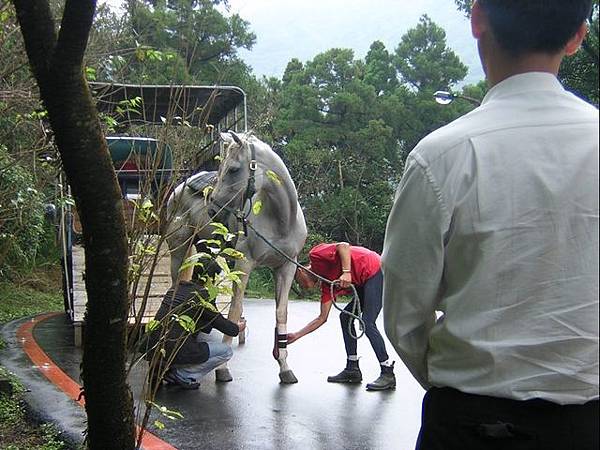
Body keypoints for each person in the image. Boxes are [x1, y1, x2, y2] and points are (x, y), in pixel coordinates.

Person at [382, 1, 598, 449]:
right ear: (578, 36)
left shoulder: (440, 156)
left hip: (470, 424)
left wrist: (455, 385)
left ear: (477, 18)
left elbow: (404, 316)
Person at [289, 242, 396, 391]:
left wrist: (346, 272)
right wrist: (297, 335)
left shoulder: (315, 255)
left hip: (375, 270)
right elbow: (322, 317)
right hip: (362, 281)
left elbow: (343, 246)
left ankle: (387, 372)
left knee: (368, 322)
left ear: (300, 271)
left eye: (297, 282)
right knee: (345, 318)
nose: (301, 286)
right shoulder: (327, 286)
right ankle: (352, 369)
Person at [144, 281, 246, 389]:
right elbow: (223, 325)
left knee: (172, 342)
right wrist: (237, 328)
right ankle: (181, 375)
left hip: (152, 345)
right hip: (177, 347)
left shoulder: (175, 288)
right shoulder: (202, 295)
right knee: (226, 351)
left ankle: (160, 372)